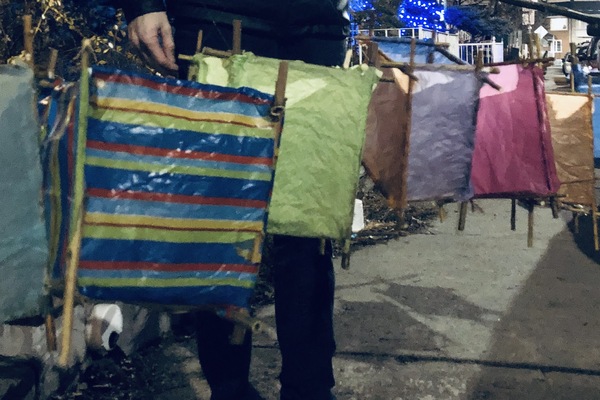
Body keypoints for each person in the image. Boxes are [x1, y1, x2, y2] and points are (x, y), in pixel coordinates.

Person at [119, 1, 351, 399]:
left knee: (312, 225)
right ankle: (229, 388)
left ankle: (310, 387)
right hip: (218, 18)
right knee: (219, 219)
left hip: (317, 29)